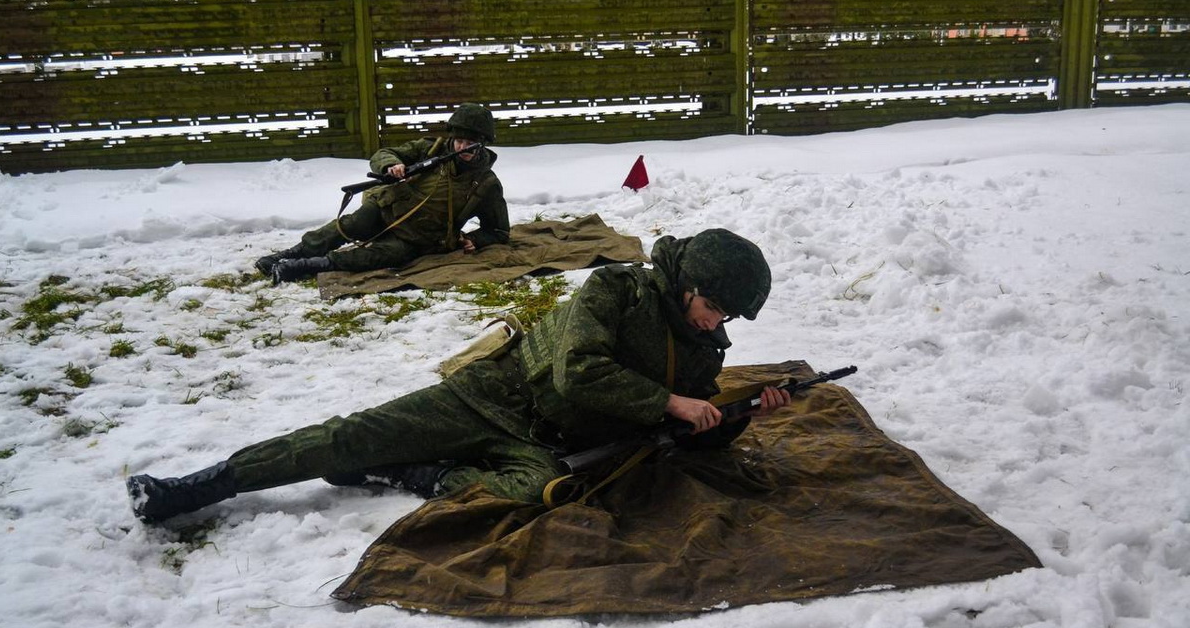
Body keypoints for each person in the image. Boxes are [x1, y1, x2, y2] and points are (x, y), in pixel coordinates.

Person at [127, 229, 790, 523]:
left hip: (542, 445)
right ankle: (200, 487)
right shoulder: (616, 290)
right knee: (351, 436)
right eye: (714, 307)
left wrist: (734, 417)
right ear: (686, 287)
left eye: (728, 315)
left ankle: (424, 476)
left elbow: (688, 432)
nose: (716, 323)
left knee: (546, 494)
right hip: (492, 395)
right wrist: (671, 401)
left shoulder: (704, 350)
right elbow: (580, 372)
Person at [255, 103, 510, 285]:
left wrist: (477, 239)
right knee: (352, 224)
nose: (463, 148)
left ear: (482, 143)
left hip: (419, 238)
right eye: (459, 141)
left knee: (381, 256)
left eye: (470, 143)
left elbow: (499, 230)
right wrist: (392, 166)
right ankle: (293, 253)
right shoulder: (430, 149)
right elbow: (382, 154)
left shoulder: (487, 183)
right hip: (387, 210)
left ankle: (305, 267)